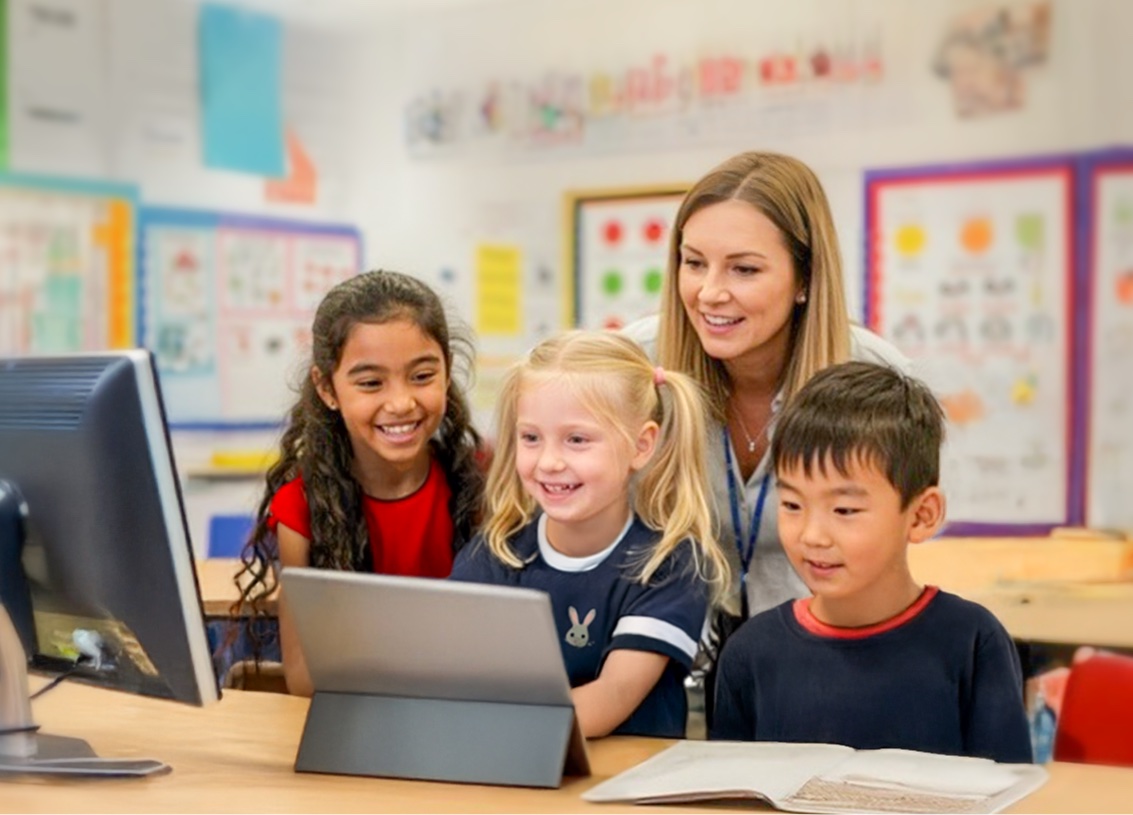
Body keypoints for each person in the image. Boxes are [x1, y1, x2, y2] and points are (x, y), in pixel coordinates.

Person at [622, 151, 909, 715]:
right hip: (655, 671)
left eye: (744, 270)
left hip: (826, 672)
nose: (709, 292)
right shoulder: (633, 366)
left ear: (804, 279)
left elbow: (893, 549)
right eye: (694, 263)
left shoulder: (876, 378)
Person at [709, 361, 1032, 763]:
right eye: (792, 504)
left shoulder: (973, 643)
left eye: (844, 510)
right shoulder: (751, 653)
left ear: (921, 515)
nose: (812, 535)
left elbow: (1008, 787)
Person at [450, 331, 730, 739]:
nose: (548, 462)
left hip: (629, 775)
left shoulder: (668, 564)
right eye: (531, 437)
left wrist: (492, 726)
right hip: (519, 765)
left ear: (641, 445)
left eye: (577, 440)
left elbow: (611, 698)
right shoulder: (494, 553)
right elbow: (458, 675)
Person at [235, 270, 485, 696]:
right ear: (326, 388)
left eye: (422, 376)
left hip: (462, 710)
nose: (401, 403)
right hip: (358, 714)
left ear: (447, 371)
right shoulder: (302, 508)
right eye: (371, 383)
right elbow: (303, 678)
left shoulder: (479, 488)